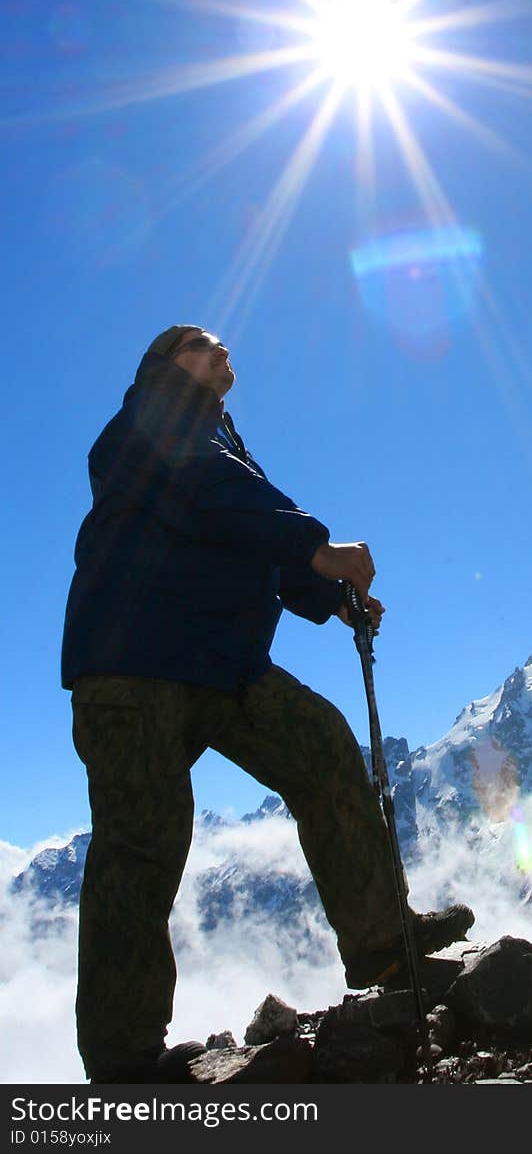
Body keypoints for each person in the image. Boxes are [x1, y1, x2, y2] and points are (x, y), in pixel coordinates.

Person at [61, 325, 474, 1084]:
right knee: (142, 842)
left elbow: (238, 529)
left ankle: (383, 939)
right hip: (135, 666)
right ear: (167, 363)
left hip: (218, 663)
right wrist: (318, 545)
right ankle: (123, 1062)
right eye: (206, 347)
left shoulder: (214, 438)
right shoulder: (153, 425)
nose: (226, 355)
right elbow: (211, 492)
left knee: (319, 745)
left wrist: (327, 596)